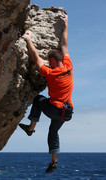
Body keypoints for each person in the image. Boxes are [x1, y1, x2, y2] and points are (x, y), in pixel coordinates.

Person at [19, 14, 73, 173]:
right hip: (67, 112)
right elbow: (64, 44)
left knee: (38, 99)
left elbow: (36, 59)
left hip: (55, 109)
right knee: (53, 132)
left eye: (49, 61)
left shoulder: (51, 73)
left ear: (52, 61)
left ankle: (31, 128)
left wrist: (28, 40)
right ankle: (54, 161)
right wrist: (66, 24)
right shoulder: (69, 67)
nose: (48, 63)